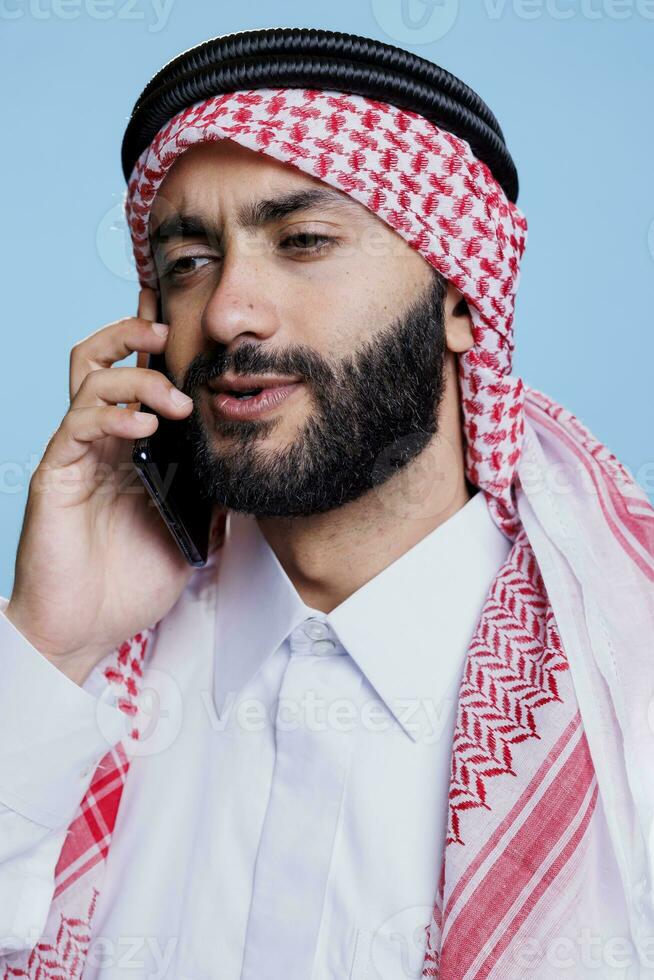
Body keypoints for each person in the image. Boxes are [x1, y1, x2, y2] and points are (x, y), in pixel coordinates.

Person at [1, 26, 653, 980]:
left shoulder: (625, 684)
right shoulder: (82, 679)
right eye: (188, 262)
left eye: (304, 242)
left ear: (462, 299)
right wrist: (49, 650)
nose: (229, 313)